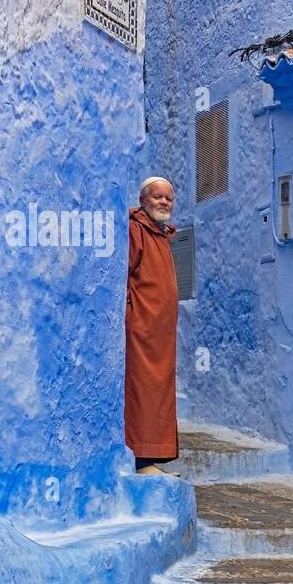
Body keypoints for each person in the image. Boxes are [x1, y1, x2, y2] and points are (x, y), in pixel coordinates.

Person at [125, 177, 180, 475]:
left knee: (158, 396)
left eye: (168, 199)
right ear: (144, 200)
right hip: (142, 332)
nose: (163, 203)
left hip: (160, 336)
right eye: (158, 197)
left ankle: (153, 458)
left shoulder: (160, 234)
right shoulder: (136, 231)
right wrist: (134, 316)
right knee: (142, 394)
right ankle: (142, 460)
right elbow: (123, 277)